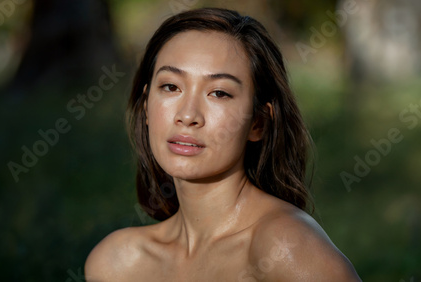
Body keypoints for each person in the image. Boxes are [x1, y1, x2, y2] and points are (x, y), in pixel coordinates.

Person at [85, 7, 361, 281]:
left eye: (219, 93)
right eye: (171, 87)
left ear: (259, 123)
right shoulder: (117, 263)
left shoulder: (285, 246)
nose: (188, 115)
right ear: (146, 106)